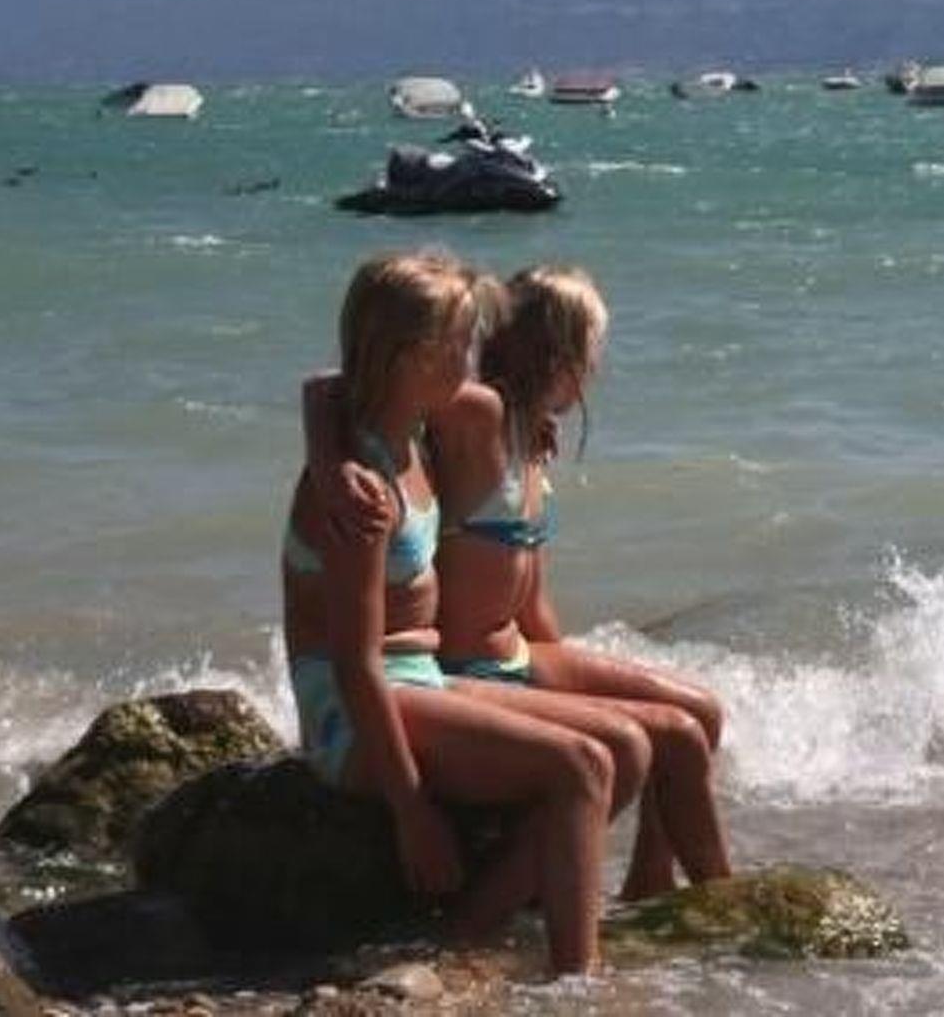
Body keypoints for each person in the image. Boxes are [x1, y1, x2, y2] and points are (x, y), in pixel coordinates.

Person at [304, 263, 732, 902]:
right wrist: (327, 460)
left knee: (700, 715)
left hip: (519, 651)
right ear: (560, 356)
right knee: (665, 734)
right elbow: (342, 383)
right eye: (591, 353)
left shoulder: (528, 434)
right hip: (472, 665)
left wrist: (584, 693)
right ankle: (718, 898)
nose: (595, 370)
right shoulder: (480, 413)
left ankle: (651, 879)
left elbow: (531, 602)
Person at [282, 250, 645, 976]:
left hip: (417, 679)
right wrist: (412, 812)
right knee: (579, 765)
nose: (473, 361)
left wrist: (529, 423)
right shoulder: (358, 490)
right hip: (352, 711)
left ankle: (469, 932)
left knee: (626, 748)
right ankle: (578, 984)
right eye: (459, 344)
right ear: (413, 357)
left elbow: (329, 385)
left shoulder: (411, 442)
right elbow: (355, 665)